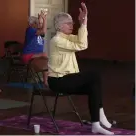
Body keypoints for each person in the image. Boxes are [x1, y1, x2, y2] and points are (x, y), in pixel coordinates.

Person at [47, 2, 114, 135]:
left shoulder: (68, 38)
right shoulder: (56, 40)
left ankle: (96, 124)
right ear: (59, 26)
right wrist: (83, 25)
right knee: (94, 75)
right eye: (68, 23)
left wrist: (84, 21)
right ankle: (101, 115)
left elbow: (82, 42)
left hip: (69, 79)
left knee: (93, 87)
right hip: (58, 81)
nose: (72, 26)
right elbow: (81, 46)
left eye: (72, 23)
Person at [21, 10, 48, 86]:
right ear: (31, 24)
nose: (38, 25)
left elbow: (42, 30)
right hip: (28, 56)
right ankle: (45, 80)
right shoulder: (30, 30)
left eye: (39, 23)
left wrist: (41, 19)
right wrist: (45, 19)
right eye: (36, 23)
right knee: (45, 55)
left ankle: (45, 81)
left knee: (45, 59)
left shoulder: (37, 32)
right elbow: (43, 31)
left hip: (36, 56)